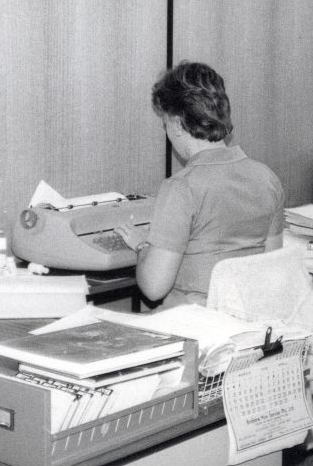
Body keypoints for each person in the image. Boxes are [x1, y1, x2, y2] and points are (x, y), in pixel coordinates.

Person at [114, 62, 286, 307]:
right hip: (250, 328)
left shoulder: (182, 187)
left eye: (165, 125)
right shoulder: (267, 178)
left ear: (176, 124)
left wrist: (143, 246)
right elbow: (272, 267)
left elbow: (153, 288)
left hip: (196, 331)